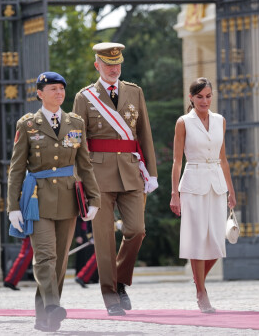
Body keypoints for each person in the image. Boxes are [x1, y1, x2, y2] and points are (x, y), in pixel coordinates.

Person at [8, 71, 100, 332]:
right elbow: (16, 169)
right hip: (37, 199)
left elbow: (84, 165)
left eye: (61, 89)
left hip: (68, 199)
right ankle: (52, 305)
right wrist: (13, 206)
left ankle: (44, 317)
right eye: (52, 89)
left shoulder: (76, 123)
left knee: (59, 261)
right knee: (45, 256)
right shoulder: (27, 125)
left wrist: (94, 198)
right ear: (40, 93)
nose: (59, 93)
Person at [72, 42, 158, 316]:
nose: (114, 69)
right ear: (97, 65)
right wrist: (80, 180)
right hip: (98, 176)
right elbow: (79, 143)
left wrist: (152, 172)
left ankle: (120, 280)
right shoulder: (84, 97)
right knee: (104, 239)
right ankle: (110, 295)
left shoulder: (135, 92)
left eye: (117, 64)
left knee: (136, 230)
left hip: (131, 172)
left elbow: (144, 134)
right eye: (108, 65)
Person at [169, 77, 236, 313]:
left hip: (217, 184)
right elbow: (177, 161)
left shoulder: (220, 121)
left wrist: (231, 190)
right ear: (191, 98)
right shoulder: (183, 122)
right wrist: (174, 193)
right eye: (199, 97)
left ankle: (199, 282)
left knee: (217, 242)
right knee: (197, 239)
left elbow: (224, 158)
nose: (204, 101)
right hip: (192, 183)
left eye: (208, 96)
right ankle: (201, 292)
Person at [74, 218, 98, 288]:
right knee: (97, 257)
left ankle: (83, 276)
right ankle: (82, 276)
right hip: (90, 234)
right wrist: (92, 236)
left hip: (96, 232)